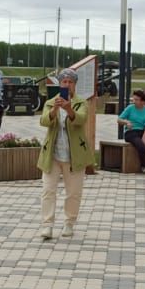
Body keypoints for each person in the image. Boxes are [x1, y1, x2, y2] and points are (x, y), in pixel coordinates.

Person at [36, 68, 92, 240]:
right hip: (52, 155)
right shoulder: (51, 102)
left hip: (74, 155)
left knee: (73, 192)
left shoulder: (81, 103)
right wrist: (54, 110)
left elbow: (81, 119)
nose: (67, 84)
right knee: (48, 190)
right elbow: (43, 121)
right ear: (59, 84)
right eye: (64, 82)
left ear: (75, 84)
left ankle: (69, 222)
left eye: (70, 82)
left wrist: (69, 110)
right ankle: (47, 225)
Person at [117, 89, 145, 173]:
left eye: (136, 99)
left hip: (143, 132)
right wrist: (126, 122)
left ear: (142, 101)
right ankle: (144, 167)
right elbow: (119, 119)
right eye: (133, 99)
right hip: (131, 132)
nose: (134, 101)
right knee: (141, 146)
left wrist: (144, 137)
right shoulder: (130, 108)